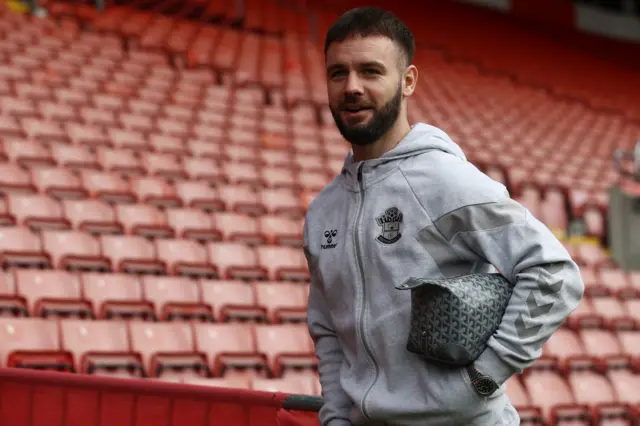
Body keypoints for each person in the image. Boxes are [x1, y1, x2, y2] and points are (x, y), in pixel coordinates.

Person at [303, 7, 585, 426]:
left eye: (371, 71)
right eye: (338, 73)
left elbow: (554, 273)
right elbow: (327, 328)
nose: (352, 87)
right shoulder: (323, 212)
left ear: (408, 80)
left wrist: (482, 379)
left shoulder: (445, 181)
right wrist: (336, 415)